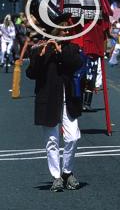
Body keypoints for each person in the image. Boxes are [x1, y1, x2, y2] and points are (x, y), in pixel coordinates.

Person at [26, 14, 83, 192]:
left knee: (73, 136)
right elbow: (31, 73)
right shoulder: (39, 48)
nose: (67, 31)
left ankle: (67, 171)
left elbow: (76, 64)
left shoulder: (71, 48)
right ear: (54, 29)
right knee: (52, 140)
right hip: (48, 98)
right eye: (64, 28)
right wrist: (42, 55)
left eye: (68, 29)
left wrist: (60, 52)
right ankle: (56, 176)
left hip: (68, 98)